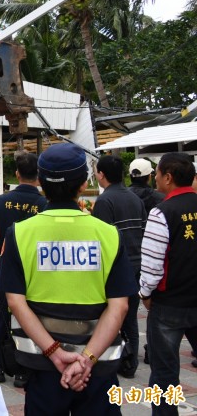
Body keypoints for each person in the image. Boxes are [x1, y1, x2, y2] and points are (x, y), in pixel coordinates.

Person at [0, 143, 135, 415]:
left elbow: (15, 301)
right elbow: (120, 306)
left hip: (42, 366)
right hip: (99, 367)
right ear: (83, 185)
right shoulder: (108, 234)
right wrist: (87, 360)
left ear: (42, 185)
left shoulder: (20, 233)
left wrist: (55, 353)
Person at [139, 152, 197, 416]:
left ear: (168, 177)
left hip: (169, 304)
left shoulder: (161, 212)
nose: (156, 179)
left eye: (159, 174)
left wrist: (145, 293)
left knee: (164, 374)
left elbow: (152, 262)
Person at [0, 151, 47, 386]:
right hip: (33, 269)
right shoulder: (43, 203)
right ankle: (24, 370)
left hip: (6, 265)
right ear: (38, 176)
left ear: (16, 174)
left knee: (4, 316)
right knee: (28, 318)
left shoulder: (2, 201)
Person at [92, 154, 147, 379]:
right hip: (137, 263)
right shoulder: (135, 199)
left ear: (102, 175)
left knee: (110, 315)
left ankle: (114, 359)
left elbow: (101, 241)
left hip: (115, 267)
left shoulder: (105, 201)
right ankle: (130, 362)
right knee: (130, 314)